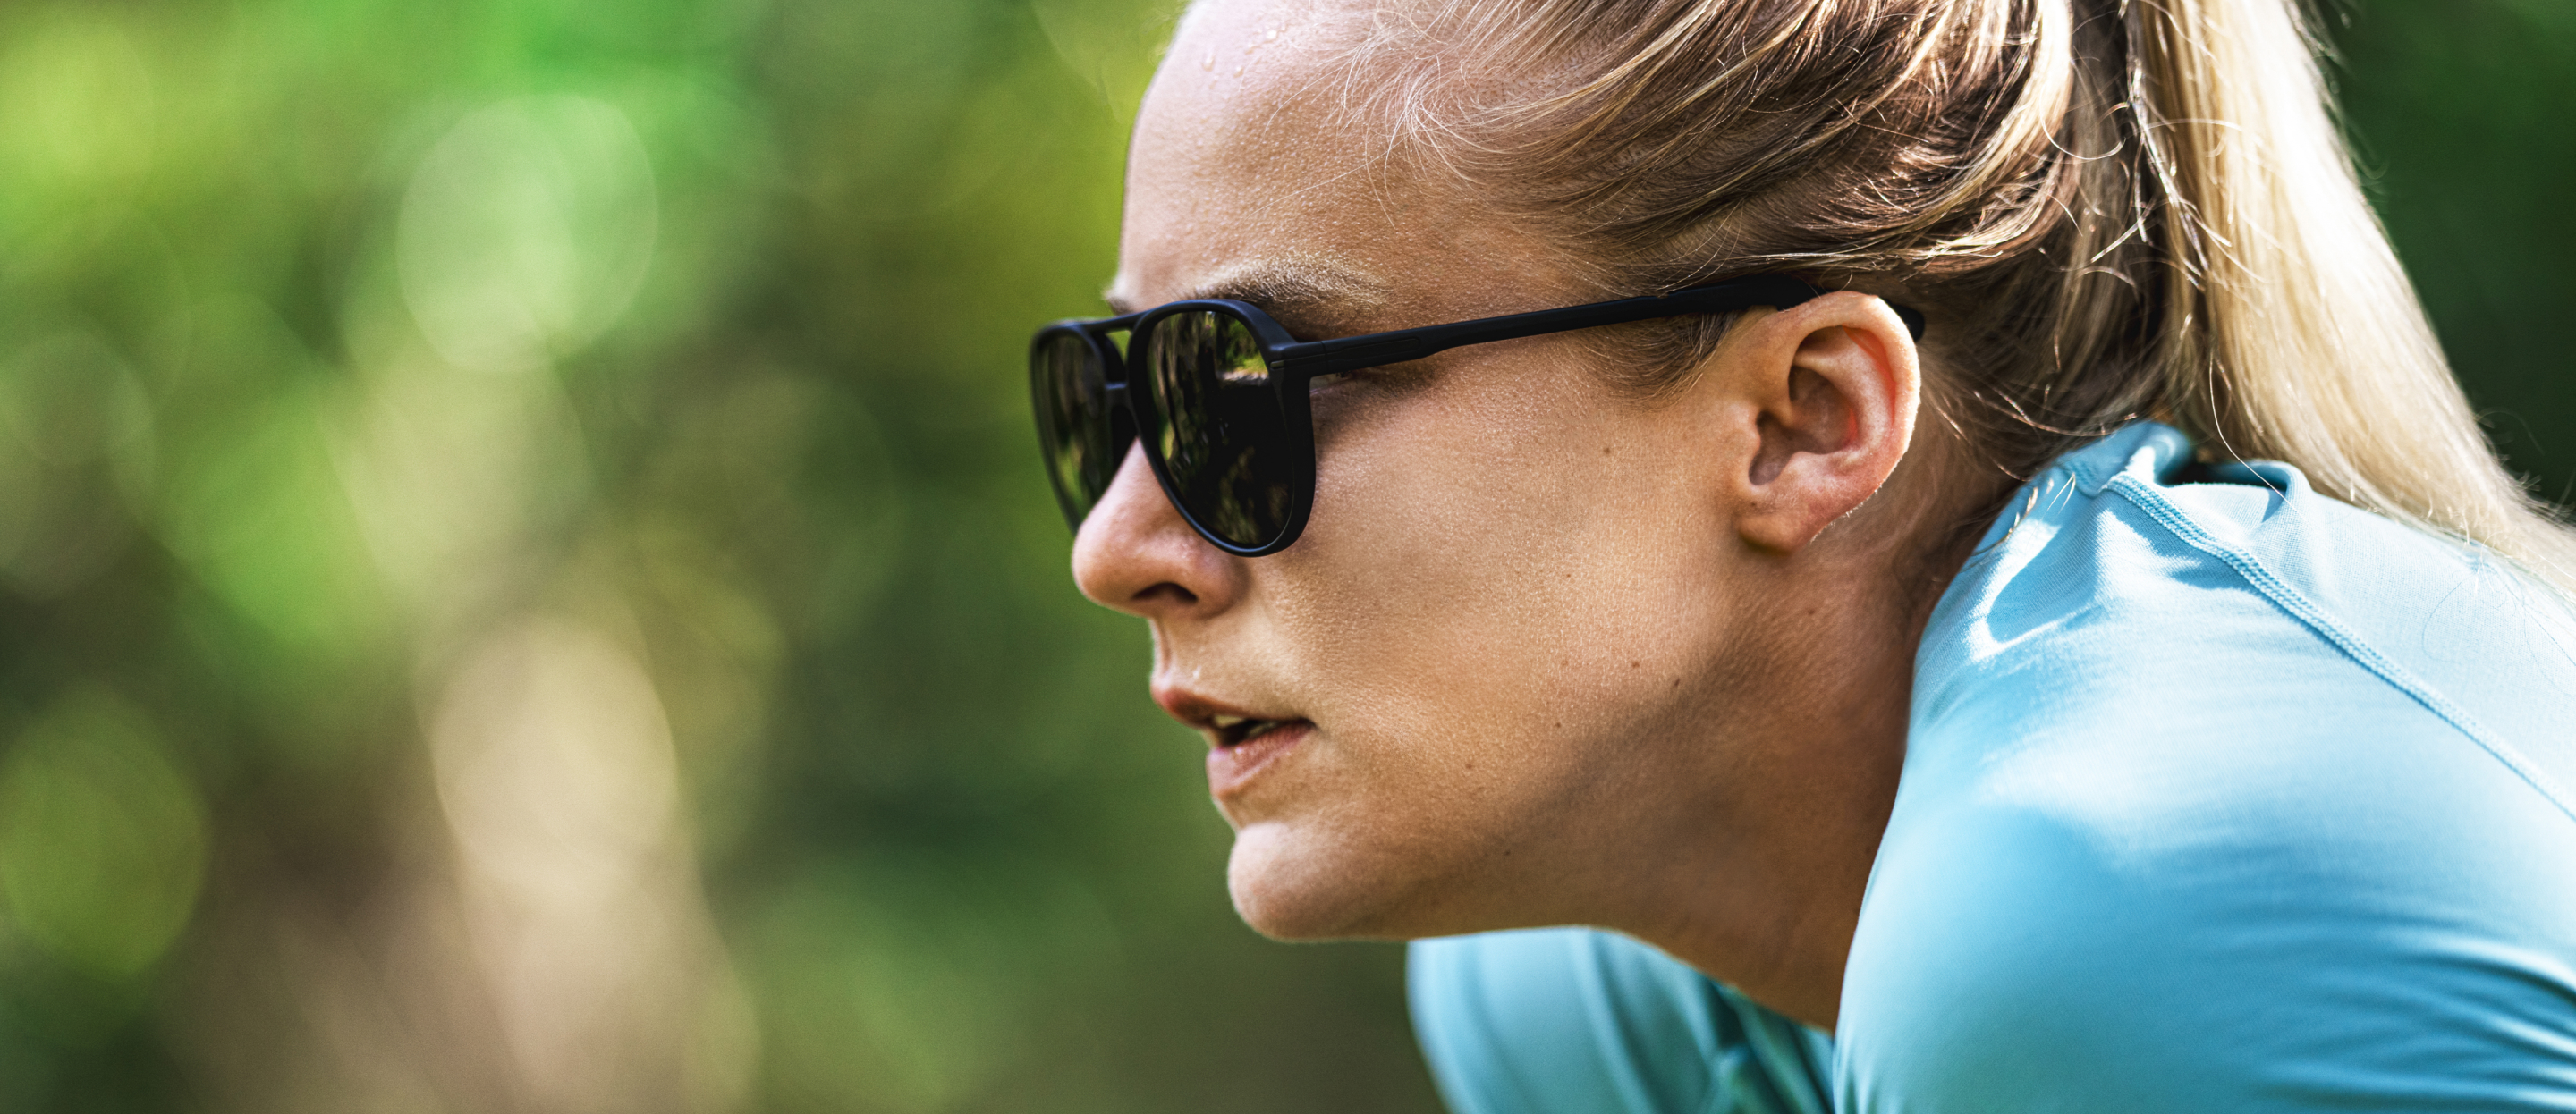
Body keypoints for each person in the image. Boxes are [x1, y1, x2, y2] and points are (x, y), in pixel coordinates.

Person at [1026, 0, 2576, 1109]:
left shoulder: (2135, 907)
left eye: (1243, 392)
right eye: (1115, 393)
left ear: (1804, 420)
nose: (1117, 547)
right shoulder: (1590, 985)